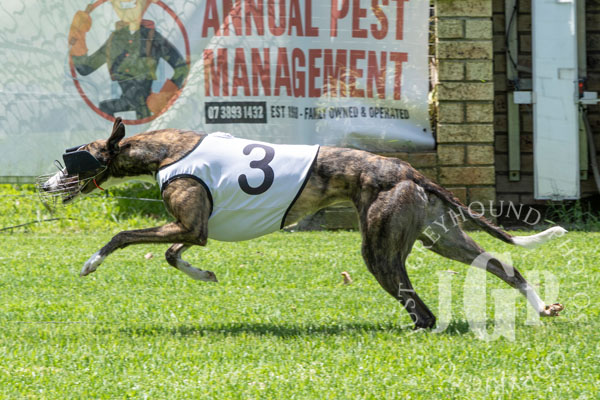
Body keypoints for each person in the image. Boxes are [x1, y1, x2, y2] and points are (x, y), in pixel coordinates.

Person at [68, 0, 189, 119]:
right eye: (120, 3)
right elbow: (85, 68)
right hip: (126, 102)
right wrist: (78, 33)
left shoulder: (152, 37)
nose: (127, 7)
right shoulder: (115, 40)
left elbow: (181, 67)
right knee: (105, 108)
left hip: (147, 104)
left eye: (133, 3)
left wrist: (163, 96)